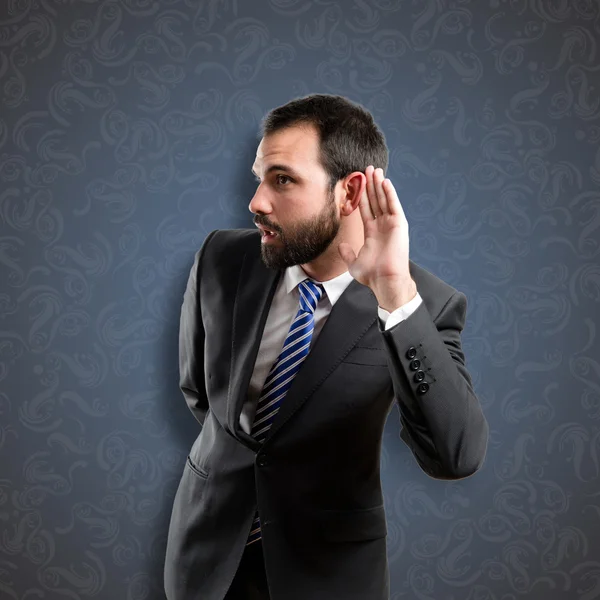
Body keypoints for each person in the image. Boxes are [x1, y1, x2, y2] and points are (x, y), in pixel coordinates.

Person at [163, 93, 489, 600]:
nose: (256, 202)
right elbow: (200, 393)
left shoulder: (425, 305)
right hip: (205, 559)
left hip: (327, 573)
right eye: (259, 177)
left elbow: (455, 455)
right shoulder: (222, 259)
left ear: (350, 191)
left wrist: (394, 293)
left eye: (283, 179)